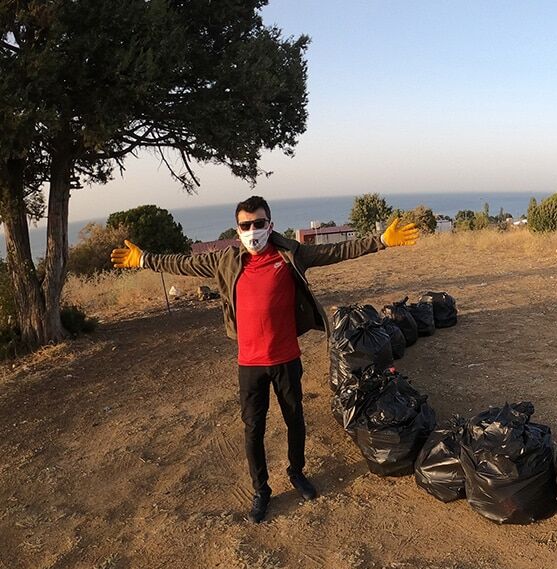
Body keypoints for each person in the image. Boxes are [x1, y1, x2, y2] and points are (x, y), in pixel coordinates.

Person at [110, 196, 420, 522]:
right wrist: (144, 258)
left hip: (286, 358)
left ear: (270, 225)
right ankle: (261, 490)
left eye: (259, 223)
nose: (253, 230)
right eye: (246, 225)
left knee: (294, 420)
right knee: (253, 429)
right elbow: (182, 264)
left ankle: (297, 472)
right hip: (250, 364)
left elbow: (336, 251)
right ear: (238, 228)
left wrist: (381, 241)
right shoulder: (225, 261)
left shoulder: (290, 254)